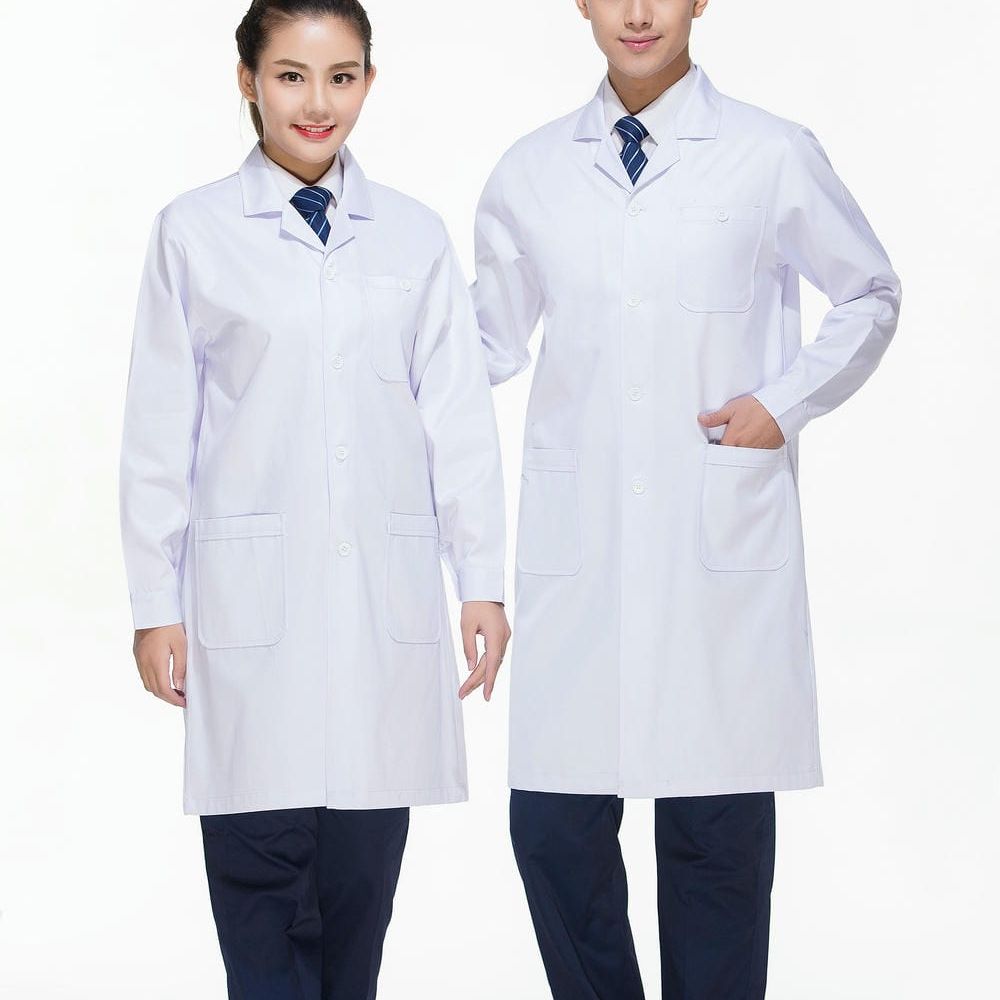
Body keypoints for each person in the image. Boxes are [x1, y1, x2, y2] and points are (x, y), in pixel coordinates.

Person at [471, 1, 901, 997]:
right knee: (553, 830)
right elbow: (482, 342)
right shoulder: (530, 172)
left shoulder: (768, 153)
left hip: (716, 557)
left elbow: (870, 291)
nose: (637, 13)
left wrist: (782, 404)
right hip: (581, 558)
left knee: (716, 845)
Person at [118, 2, 510, 997]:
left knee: (356, 925)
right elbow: (159, 433)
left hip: (382, 620)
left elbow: (458, 423)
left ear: (369, 82)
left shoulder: (413, 238)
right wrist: (154, 603)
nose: (317, 102)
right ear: (247, 80)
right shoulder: (193, 233)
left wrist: (481, 581)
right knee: (261, 922)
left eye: (341, 77)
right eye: (291, 75)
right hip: (249, 621)